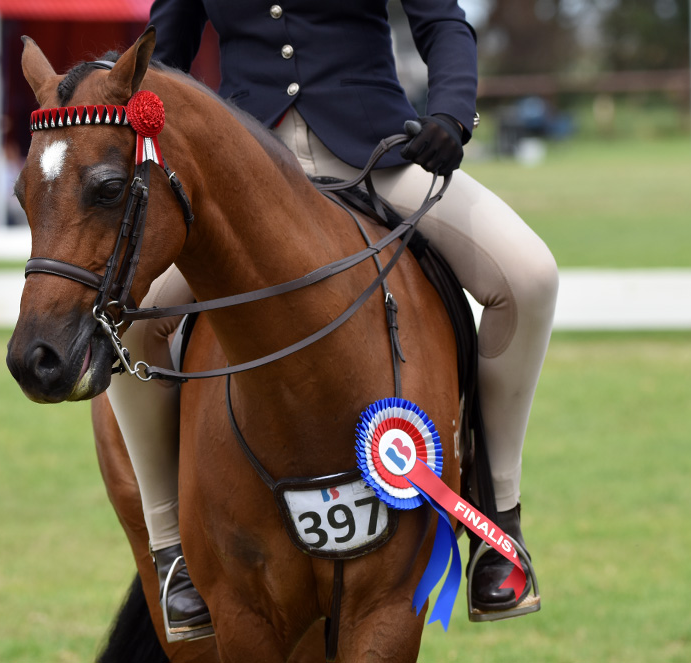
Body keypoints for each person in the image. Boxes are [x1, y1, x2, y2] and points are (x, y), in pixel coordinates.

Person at [106, 0, 559, 637]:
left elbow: (442, 23)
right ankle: (171, 550)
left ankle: (496, 522)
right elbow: (161, 55)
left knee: (529, 277)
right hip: (242, 174)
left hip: (375, 156)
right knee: (124, 316)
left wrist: (452, 114)